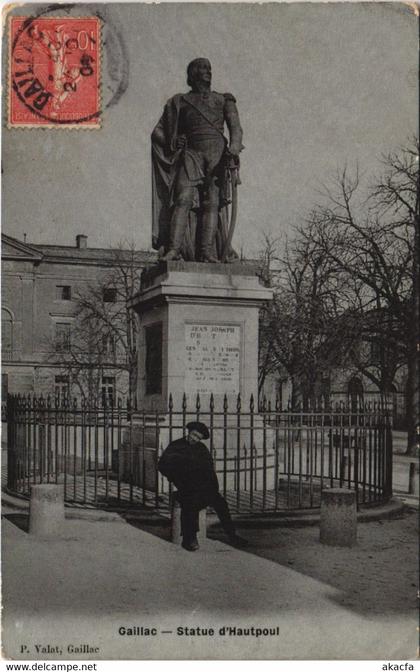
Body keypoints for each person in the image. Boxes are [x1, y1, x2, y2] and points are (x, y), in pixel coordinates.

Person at [151, 58, 244, 262]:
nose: (208, 71)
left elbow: (235, 129)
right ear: (192, 74)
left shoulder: (224, 100)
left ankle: (207, 251)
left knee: (211, 203)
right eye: (203, 68)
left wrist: (234, 149)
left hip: (217, 155)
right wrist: (174, 140)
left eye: (210, 68)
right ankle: (174, 249)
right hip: (191, 154)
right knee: (182, 199)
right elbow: (157, 132)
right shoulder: (179, 102)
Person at [158, 421, 248, 551]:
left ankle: (232, 535)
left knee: (221, 503)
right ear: (189, 432)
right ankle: (189, 538)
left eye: (198, 438)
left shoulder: (201, 449)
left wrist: (213, 488)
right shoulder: (176, 446)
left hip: (204, 487)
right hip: (185, 487)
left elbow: (209, 470)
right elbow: (162, 466)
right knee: (191, 502)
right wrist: (176, 478)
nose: (194, 439)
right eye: (194, 435)